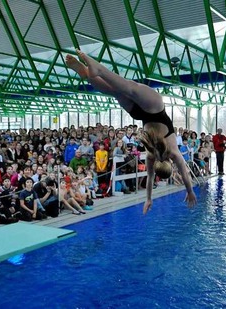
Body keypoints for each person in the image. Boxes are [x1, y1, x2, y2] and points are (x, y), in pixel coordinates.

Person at [66, 50, 196, 214]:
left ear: (170, 165)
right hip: (139, 114)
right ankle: (87, 74)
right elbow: (149, 179)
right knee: (114, 91)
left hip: (155, 109)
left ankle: (97, 70)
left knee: (128, 87)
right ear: (157, 166)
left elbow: (184, 172)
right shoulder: (150, 155)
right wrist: (148, 198)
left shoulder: (173, 152)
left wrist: (189, 191)